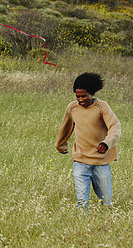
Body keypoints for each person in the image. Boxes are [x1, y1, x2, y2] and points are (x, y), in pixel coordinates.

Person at [55, 72, 121, 208]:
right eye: (77, 96)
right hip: (80, 161)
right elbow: (66, 127)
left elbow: (114, 128)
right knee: (81, 202)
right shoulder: (72, 108)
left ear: (92, 93)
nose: (80, 99)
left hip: (100, 162)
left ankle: (106, 225)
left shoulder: (102, 107)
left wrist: (106, 143)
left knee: (106, 202)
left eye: (84, 96)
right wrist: (60, 145)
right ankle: (81, 226)